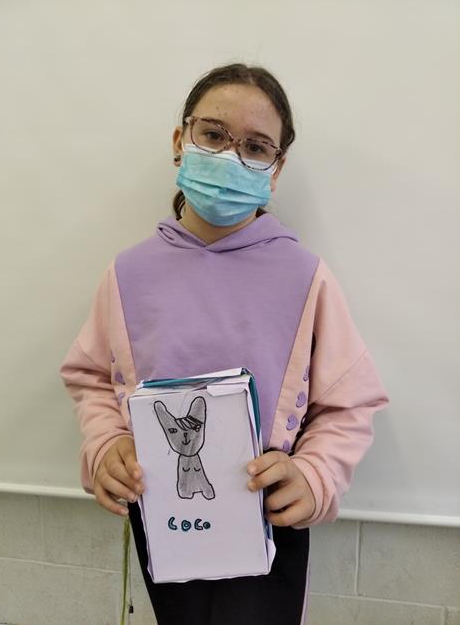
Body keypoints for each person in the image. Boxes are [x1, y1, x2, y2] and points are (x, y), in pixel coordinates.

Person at [59, 63, 389, 625]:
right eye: (213, 134)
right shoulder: (128, 274)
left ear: (275, 169)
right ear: (180, 141)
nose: (230, 157)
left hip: (270, 514)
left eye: (256, 147)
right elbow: (90, 377)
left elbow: (350, 402)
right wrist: (107, 442)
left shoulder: (304, 277)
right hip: (162, 512)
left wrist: (315, 474)